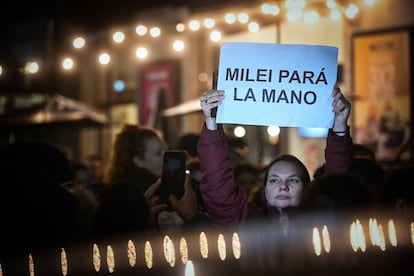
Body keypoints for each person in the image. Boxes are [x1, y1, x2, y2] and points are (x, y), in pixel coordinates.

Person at [197, 86, 352, 228]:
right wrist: (212, 122)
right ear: (264, 191)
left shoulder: (321, 226)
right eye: (274, 180)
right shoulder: (247, 223)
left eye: (293, 180)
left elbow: (337, 188)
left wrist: (339, 126)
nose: (283, 186)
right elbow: (217, 185)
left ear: (307, 189)